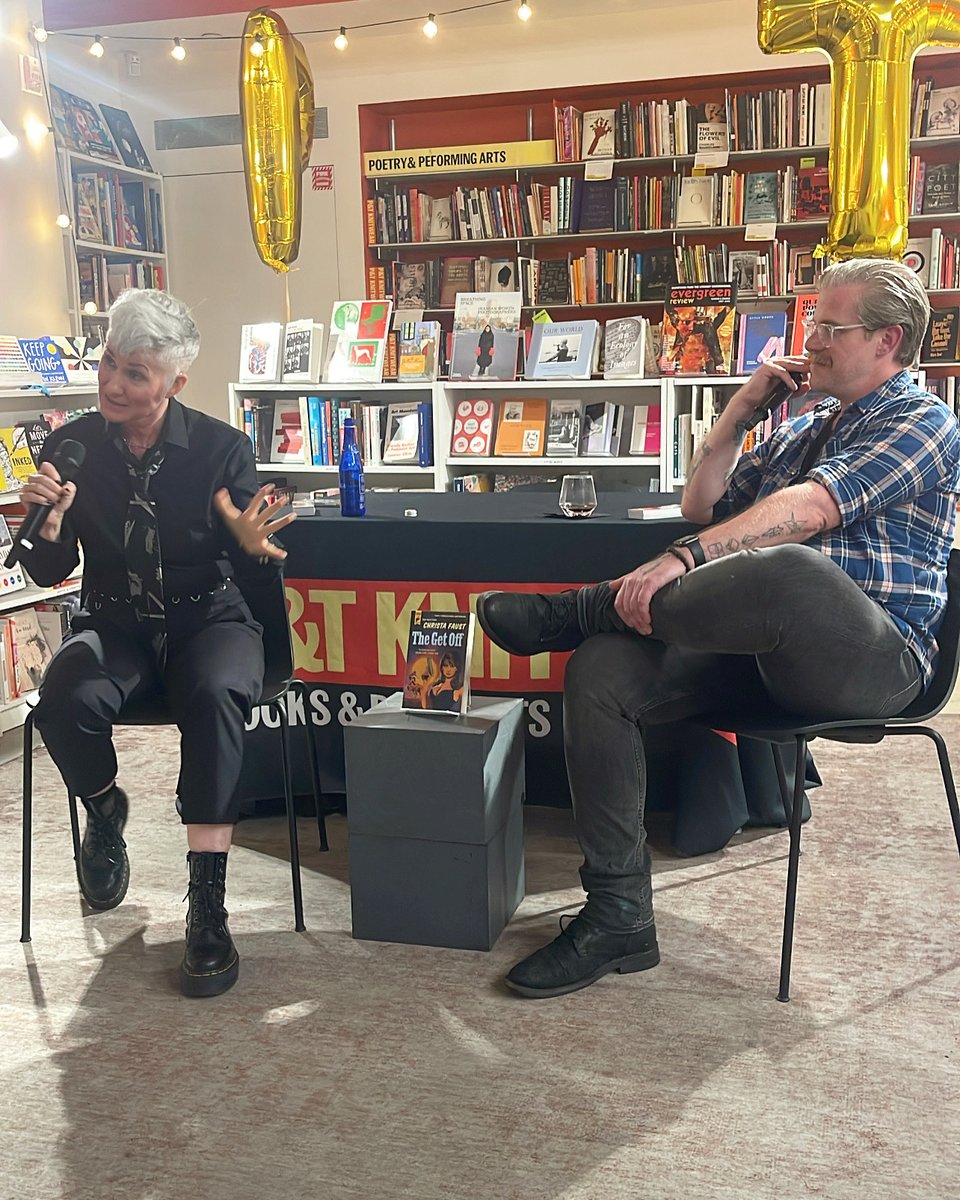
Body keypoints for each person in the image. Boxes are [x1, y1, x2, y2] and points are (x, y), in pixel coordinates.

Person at [476, 258, 960, 1000]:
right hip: (767, 655)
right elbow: (702, 504)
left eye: (830, 328)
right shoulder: (808, 427)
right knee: (601, 669)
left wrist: (681, 559)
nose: (811, 340)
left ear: (887, 339)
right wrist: (741, 410)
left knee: (788, 564)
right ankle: (619, 916)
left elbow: (810, 510)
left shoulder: (925, 421)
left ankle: (576, 609)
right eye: (813, 325)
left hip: (877, 660)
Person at [20, 288, 294, 999]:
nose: (113, 383)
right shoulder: (73, 445)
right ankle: (104, 807)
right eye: (109, 362)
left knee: (216, 695)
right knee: (62, 700)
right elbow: (49, 569)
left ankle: (207, 906)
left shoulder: (222, 448)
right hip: (116, 623)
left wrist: (252, 551)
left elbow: (255, 560)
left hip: (210, 619)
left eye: (135, 372)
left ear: (175, 382)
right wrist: (46, 526)